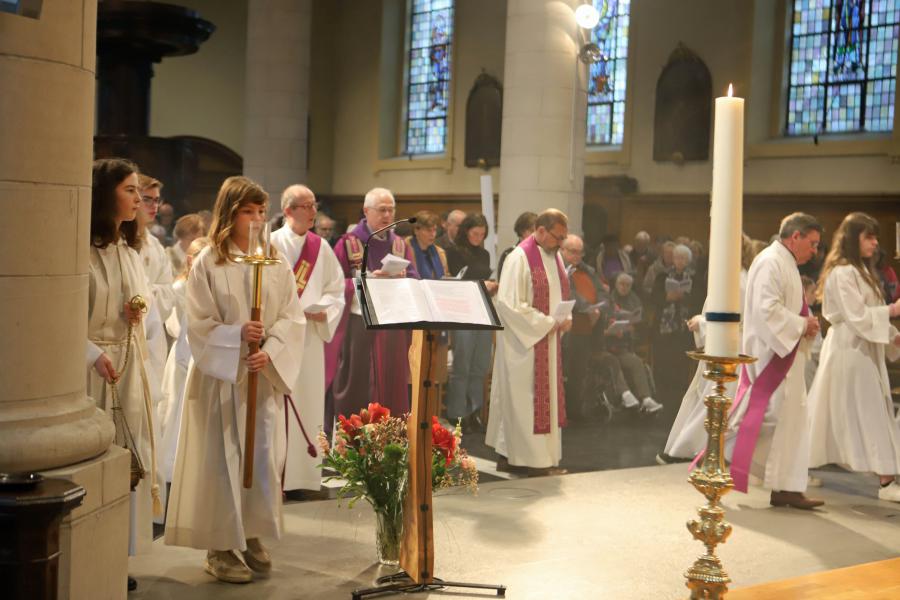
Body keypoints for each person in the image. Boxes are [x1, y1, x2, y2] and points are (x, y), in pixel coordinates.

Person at [165, 176, 305, 583]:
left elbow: (290, 317)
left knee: (261, 457)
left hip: (260, 375)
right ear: (230, 212)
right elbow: (198, 321)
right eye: (249, 212)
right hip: (220, 377)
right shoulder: (209, 260)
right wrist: (236, 336)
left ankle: (252, 532)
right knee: (220, 461)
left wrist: (270, 350)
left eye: (262, 212)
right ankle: (220, 546)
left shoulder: (274, 260)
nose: (258, 220)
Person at [87, 159, 158, 592]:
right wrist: (91, 352)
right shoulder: (81, 250)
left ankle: (116, 552)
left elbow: (143, 302)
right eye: (130, 190)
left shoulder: (128, 251)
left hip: (127, 365)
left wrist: (137, 311)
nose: (138, 198)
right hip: (92, 368)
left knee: (126, 462)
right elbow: (59, 315)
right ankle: (89, 547)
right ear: (105, 193)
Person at [727, 212, 824, 509]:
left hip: (786, 353)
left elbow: (787, 306)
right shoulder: (771, 261)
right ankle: (722, 458)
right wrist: (800, 324)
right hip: (772, 354)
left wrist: (805, 322)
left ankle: (787, 487)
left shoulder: (786, 263)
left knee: (791, 422)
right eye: (813, 243)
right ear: (795, 237)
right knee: (769, 418)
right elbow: (767, 310)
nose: (815, 250)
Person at [807, 212, 900, 501]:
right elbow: (856, 316)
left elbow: (867, 315)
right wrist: (893, 312)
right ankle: (886, 480)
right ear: (852, 239)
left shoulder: (862, 271)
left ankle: (800, 466)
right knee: (868, 411)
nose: (875, 243)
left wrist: (893, 336)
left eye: (875, 237)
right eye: (868, 237)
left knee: (835, 412)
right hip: (850, 348)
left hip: (862, 348)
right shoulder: (843, 272)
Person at [271, 184, 345, 495]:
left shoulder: (322, 247)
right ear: (288, 211)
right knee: (276, 406)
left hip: (310, 340)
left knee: (308, 401)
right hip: (277, 337)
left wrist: (324, 310)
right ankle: (275, 476)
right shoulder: (269, 244)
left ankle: (303, 478)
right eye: (306, 206)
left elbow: (336, 289)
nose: (313, 212)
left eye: (314, 205)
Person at [486, 209, 572, 476]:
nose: (560, 244)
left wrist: (565, 317)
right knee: (524, 404)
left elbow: (558, 294)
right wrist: (548, 323)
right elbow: (510, 306)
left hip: (545, 341)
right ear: (542, 230)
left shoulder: (553, 257)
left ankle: (532, 459)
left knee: (537, 403)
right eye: (557, 237)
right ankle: (530, 463)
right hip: (522, 348)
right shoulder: (519, 258)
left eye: (563, 239)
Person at [659, 234, 754, 464]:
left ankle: (689, 449)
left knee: (711, 398)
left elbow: (726, 319)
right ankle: (689, 448)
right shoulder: (739, 277)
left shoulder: (733, 280)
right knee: (706, 396)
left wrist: (700, 322)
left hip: (726, 346)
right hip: (726, 343)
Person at [327, 187, 419, 422]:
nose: (388, 215)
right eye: (382, 210)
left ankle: (389, 440)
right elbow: (334, 285)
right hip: (359, 326)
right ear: (366, 211)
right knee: (358, 384)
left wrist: (403, 280)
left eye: (391, 210)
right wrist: (365, 282)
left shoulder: (401, 245)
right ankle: (354, 436)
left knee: (391, 385)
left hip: (392, 327)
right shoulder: (348, 244)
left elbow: (415, 281)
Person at [158, 236, 210, 484]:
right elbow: (173, 325)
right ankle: (172, 471)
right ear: (190, 261)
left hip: (202, 354)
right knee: (176, 412)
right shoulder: (181, 287)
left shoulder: (210, 285)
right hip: (183, 354)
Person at [445, 213, 498, 431]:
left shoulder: (485, 254)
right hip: (462, 312)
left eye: (482, 234)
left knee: (480, 365)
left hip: (482, 311)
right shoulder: (454, 252)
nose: (478, 237)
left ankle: (474, 410)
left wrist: (491, 285)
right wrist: (482, 285)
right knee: (462, 365)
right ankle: (457, 413)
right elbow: (455, 284)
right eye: (475, 233)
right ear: (466, 231)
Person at [137, 175, 177, 419]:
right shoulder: (118, 242)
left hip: (151, 338)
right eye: (146, 199)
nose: (154, 206)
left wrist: (143, 293)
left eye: (156, 200)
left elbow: (168, 293)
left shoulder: (155, 245)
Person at [607, 273, 662, 413]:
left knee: (636, 362)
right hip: (607, 346)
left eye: (627, 285)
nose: (624, 287)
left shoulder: (634, 300)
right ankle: (626, 394)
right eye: (621, 284)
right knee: (613, 362)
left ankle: (646, 398)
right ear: (616, 284)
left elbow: (640, 323)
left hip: (623, 345)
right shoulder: (609, 300)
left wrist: (631, 326)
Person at [650, 243, 697, 399]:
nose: (679, 261)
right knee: (663, 356)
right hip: (664, 325)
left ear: (688, 260)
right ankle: (662, 388)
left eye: (683, 258)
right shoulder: (662, 276)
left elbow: (699, 300)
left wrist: (685, 298)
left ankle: (678, 389)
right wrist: (667, 297)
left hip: (683, 326)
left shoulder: (694, 278)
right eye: (677, 257)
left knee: (680, 358)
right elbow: (653, 297)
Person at [407, 210, 448, 279]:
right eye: (428, 230)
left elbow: (445, 276)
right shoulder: (405, 250)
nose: (433, 234)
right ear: (416, 230)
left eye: (434, 230)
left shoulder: (440, 253)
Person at [497, 211, 537, 280]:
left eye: (537, 231)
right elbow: (502, 281)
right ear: (522, 231)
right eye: (532, 231)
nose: (535, 234)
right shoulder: (509, 253)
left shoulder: (540, 253)